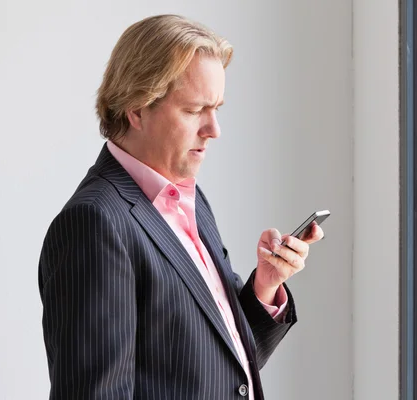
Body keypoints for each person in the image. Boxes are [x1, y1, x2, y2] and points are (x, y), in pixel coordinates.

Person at [38, 14, 324, 400]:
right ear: (136, 109)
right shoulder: (94, 223)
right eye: (194, 111)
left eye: (217, 108)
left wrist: (265, 286)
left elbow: (225, 366)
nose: (214, 129)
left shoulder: (188, 197)